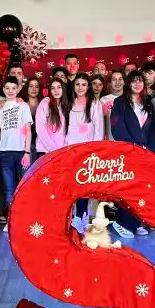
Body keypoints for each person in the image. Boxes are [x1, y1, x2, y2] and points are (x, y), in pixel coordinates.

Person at [110, 69, 155, 239]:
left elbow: (153, 129)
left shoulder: (148, 103)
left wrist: (152, 150)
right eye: (134, 81)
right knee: (127, 189)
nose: (137, 84)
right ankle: (121, 223)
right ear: (128, 83)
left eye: (140, 81)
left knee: (141, 190)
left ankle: (137, 222)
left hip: (146, 154)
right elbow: (117, 128)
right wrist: (133, 146)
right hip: (128, 153)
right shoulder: (119, 103)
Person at [66, 73, 105, 233]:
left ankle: (82, 217)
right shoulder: (70, 103)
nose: (80, 88)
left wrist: (94, 151)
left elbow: (99, 128)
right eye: (77, 84)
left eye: (83, 84)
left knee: (84, 186)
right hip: (71, 151)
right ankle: (73, 217)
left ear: (88, 87)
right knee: (73, 186)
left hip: (88, 153)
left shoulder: (94, 103)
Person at [0, 75, 32, 232]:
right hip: (4, 152)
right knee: (9, 188)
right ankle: (11, 220)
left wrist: (27, 152)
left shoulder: (23, 106)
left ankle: (25, 218)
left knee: (24, 186)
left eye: (13, 88)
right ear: (3, 89)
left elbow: (28, 130)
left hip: (21, 151)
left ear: (18, 89)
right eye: (7, 88)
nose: (10, 91)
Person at [35, 77, 69, 156]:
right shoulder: (45, 102)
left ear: (63, 89)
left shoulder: (64, 106)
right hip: (45, 151)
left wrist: (63, 149)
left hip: (61, 151)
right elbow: (40, 129)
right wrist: (52, 148)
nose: (56, 91)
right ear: (50, 91)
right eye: (53, 88)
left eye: (59, 87)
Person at [22, 75, 43, 162]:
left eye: (36, 86)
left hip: (41, 145)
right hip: (26, 145)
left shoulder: (44, 104)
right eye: (31, 86)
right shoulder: (22, 105)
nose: (34, 89)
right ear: (26, 88)